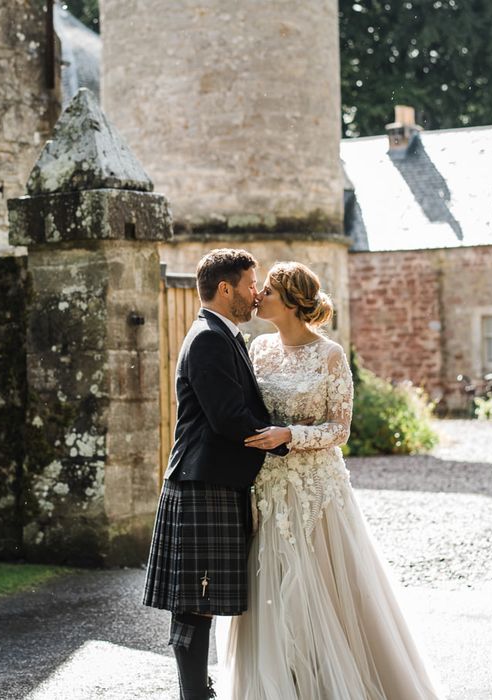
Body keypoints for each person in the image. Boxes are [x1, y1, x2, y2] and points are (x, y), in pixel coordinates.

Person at [220, 261, 442, 699]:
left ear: (290, 301)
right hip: (267, 485)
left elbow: (340, 430)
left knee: (324, 586)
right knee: (271, 584)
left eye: (268, 289)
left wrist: (292, 435)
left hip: (316, 487)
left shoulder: (330, 355)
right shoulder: (258, 348)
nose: (258, 295)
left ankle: (331, 682)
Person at [143, 249, 290, 700]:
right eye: (250, 285)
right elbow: (229, 417)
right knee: (194, 601)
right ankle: (193, 694)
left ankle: (195, 690)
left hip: (210, 480)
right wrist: (285, 440)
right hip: (202, 484)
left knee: (197, 599)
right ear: (226, 289)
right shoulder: (208, 338)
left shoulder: (222, 334)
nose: (256, 294)